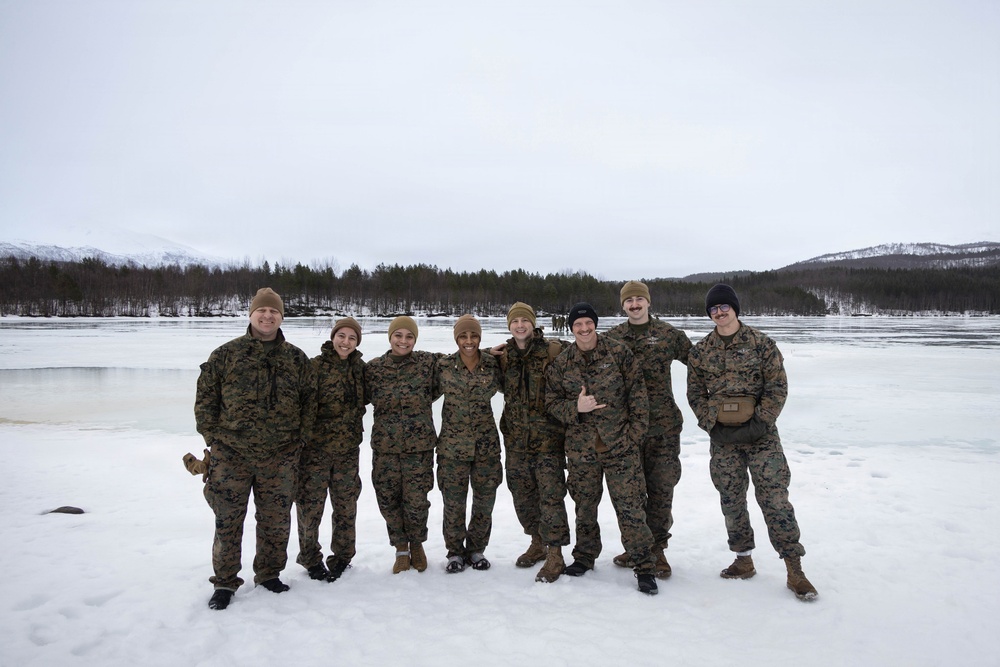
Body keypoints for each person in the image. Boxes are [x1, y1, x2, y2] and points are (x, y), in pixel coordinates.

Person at [686, 284, 818, 601]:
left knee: (775, 500)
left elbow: (777, 387)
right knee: (732, 501)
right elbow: (695, 394)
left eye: (723, 307)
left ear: (735, 308)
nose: (719, 312)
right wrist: (711, 425)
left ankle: (794, 569)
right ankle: (743, 560)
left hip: (762, 438)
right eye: (713, 309)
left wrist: (760, 422)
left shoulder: (761, 344)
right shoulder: (701, 351)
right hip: (723, 440)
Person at [194, 287, 316, 610]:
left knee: (276, 521)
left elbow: (309, 402)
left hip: (280, 456)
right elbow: (205, 398)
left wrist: (299, 441)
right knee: (228, 520)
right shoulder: (225, 355)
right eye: (262, 311)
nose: (267, 316)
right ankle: (224, 581)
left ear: (281, 317)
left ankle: (268, 573)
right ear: (251, 315)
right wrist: (212, 439)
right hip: (232, 455)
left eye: (274, 312)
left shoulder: (296, 359)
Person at [545, 302, 659, 595]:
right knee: (584, 506)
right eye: (577, 325)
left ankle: (644, 564)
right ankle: (584, 556)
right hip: (582, 449)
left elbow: (638, 395)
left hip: (620, 445)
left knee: (631, 507)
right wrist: (576, 407)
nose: (584, 329)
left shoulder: (618, 353)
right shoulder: (562, 363)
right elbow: (551, 403)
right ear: (571, 328)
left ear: (595, 324)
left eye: (588, 323)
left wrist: (634, 435)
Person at [605, 281, 691, 579]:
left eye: (640, 299)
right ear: (623, 305)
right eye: (630, 301)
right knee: (629, 493)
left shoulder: (668, 335)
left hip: (663, 427)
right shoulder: (613, 338)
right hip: (626, 429)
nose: (635, 305)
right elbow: (583, 357)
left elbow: (701, 361)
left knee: (660, 490)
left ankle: (657, 550)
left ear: (649, 302)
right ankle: (637, 546)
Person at [493, 302, 571, 583]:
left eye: (525, 320)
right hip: (516, 440)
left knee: (551, 497)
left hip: (548, 440)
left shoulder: (553, 350)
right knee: (522, 495)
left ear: (533, 323)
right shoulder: (504, 356)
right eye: (515, 321)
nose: (520, 325)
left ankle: (555, 553)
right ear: (509, 325)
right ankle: (537, 541)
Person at [363, 316, 441, 574]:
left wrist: (490, 352)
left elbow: (462, 361)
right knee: (388, 500)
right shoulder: (373, 368)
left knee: (417, 501)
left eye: (409, 337)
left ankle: (417, 544)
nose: (403, 341)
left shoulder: (427, 363)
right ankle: (400, 548)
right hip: (385, 448)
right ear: (390, 337)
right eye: (399, 336)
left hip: (418, 449)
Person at [295, 317, 367, 583]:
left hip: (348, 451)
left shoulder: (360, 369)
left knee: (346, 506)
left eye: (352, 338)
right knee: (310, 507)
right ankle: (310, 558)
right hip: (315, 451)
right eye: (342, 336)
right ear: (333, 337)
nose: (345, 342)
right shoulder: (313, 367)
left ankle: (343, 557)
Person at [435, 315, 503, 573]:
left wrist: (487, 352)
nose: (469, 341)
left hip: (486, 447)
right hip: (452, 448)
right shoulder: (442, 366)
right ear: (456, 338)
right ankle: (454, 552)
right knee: (453, 503)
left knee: (484, 502)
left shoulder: (493, 365)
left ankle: (476, 550)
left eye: (473, 336)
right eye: (463, 336)